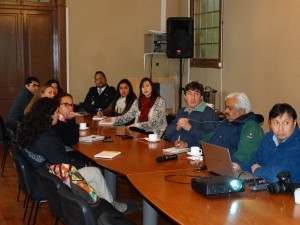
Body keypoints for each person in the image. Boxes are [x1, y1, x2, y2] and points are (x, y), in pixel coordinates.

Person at [17, 97, 127, 213]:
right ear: (48, 115)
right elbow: (65, 163)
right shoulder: (45, 138)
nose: (57, 115)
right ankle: (106, 207)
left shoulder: (34, 130)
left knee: (92, 172)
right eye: (56, 112)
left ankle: (104, 205)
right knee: (94, 172)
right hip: (48, 183)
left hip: (41, 176)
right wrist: (80, 164)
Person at [233, 103, 300, 183]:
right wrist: (241, 167)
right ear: (270, 124)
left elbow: (277, 176)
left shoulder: (297, 144)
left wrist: (258, 170)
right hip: (268, 185)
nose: (281, 128)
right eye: (276, 123)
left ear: (294, 123)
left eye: (286, 123)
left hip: (291, 192)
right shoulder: (268, 138)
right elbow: (256, 160)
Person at [202, 92, 264, 164]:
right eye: (226, 108)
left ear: (242, 111)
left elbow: (244, 156)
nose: (225, 111)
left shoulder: (251, 127)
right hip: (212, 163)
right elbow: (206, 141)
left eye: (230, 108)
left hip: (234, 170)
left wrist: (221, 163)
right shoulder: (224, 122)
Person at [164, 81, 219, 147]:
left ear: (201, 97)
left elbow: (210, 140)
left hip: (194, 153)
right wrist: (177, 127)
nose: (193, 98)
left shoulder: (209, 113)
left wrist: (189, 129)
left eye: (196, 94)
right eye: (189, 94)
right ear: (185, 97)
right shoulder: (182, 111)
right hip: (174, 149)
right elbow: (167, 134)